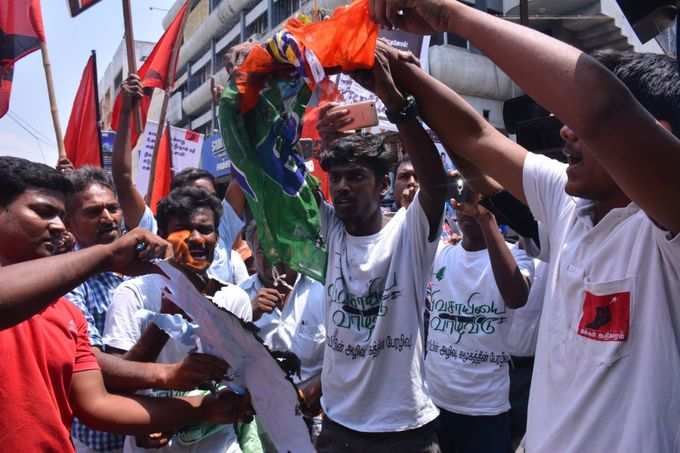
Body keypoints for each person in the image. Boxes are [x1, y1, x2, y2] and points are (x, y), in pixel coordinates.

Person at [369, 1, 680, 451]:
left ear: (651, 136)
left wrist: (448, 15)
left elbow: (601, 108)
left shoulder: (666, 236)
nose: (566, 134)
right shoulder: (568, 205)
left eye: (580, 126)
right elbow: (477, 137)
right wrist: (397, 75)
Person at [0, 156, 252, 452]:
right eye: (42, 212)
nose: (58, 227)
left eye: (60, 215)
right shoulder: (123, 290)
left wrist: (201, 407)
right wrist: (106, 257)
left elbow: (98, 403)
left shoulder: (66, 313)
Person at [313, 41, 447, 452]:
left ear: (382, 183)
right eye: (336, 178)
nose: (343, 188)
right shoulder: (331, 230)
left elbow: (435, 181)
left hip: (402, 431)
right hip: (337, 424)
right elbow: (280, 180)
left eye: (355, 177)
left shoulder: (408, 234)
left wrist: (396, 104)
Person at [63, 167, 231, 453]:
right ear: (68, 221)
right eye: (93, 212)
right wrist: (166, 366)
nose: (107, 218)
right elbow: (92, 366)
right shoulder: (69, 281)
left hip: (170, 428)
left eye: (113, 208)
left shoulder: (146, 261)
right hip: (101, 437)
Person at [103, 186, 253, 452]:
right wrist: (166, 319)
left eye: (206, 229)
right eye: (183, 229)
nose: (196, 239)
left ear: (217, 237)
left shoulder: (234, 299)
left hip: (217, 443)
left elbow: (242, 380)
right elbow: (114, 380)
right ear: (163, 236)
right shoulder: (132, 294)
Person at [112, 74, 248, 285]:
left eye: (208, 197)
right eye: (190, 197)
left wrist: (230, 115)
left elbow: (242, 169)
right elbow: (123, 180)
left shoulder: (222, 231)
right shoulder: (154, 232)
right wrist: (126, 113)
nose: (197, 238)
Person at [425, 190, 534, 453]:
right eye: (466, 202)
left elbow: (516, 297)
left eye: (481, 202)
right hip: (434, 404)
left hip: (485, 409)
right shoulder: (441, 254)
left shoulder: (515, 256)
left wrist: (486, 219)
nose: (471, 209)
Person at [239, 222, 325, 442]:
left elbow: (344, 356)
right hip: (257, 422)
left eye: (279, 247)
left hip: (317, 419)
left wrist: (315, 392)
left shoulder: (324, 292)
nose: (272, 256)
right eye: (263, 248)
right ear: (252, 250)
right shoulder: (237, 298)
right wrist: (247, 312)